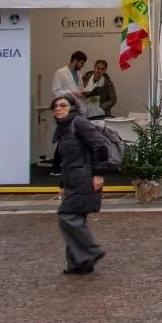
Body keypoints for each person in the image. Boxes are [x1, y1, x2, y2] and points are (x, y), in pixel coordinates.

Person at [50, 94, 109, 275]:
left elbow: (100, 146)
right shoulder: (63, 129)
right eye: (55, 107)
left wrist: (98, 174)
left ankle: (91, 252)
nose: (58, 109)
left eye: (63, 105)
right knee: (75, 218)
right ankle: (79, 264)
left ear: (72, 107)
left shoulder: (78, 123)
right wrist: (62, 185)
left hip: (84, 178)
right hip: (73, 179)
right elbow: (66, 160)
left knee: (66, 216)